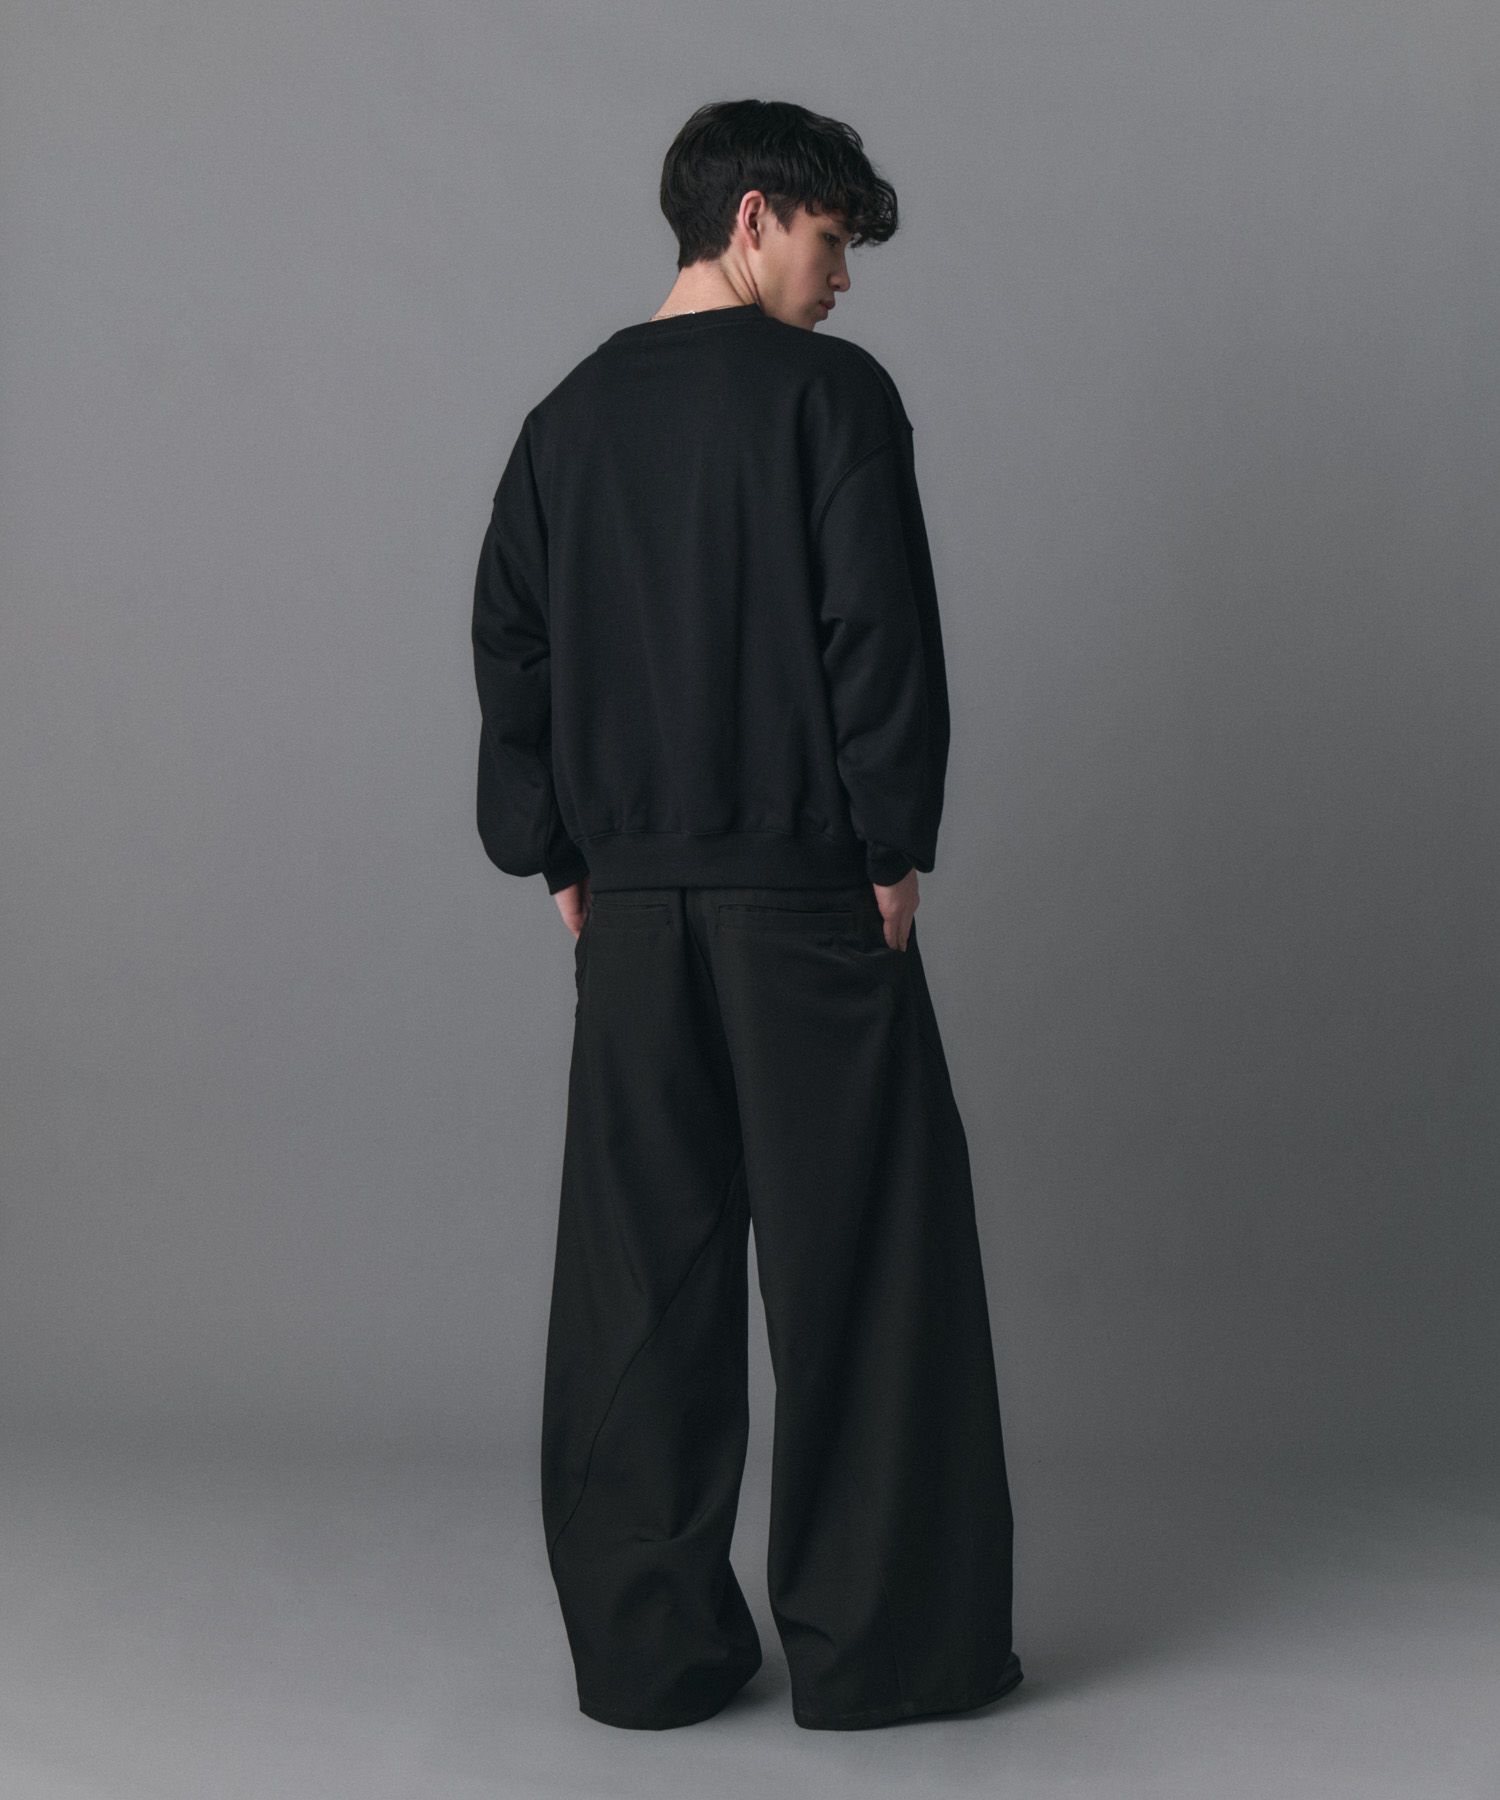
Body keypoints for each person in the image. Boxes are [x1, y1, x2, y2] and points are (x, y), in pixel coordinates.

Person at [471, 97, 1023, 1732]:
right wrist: (891, 844)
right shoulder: (832, 402)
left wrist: (557, 851)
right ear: (757, 216)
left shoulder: (564, 422)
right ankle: (884, 1653)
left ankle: (650, 1656)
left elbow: (513, 649)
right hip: (809, 902)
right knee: (868, 1273)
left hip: (632, 915)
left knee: (641, 1280)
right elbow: (876, 632)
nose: (843, 282)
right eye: (833, 243)